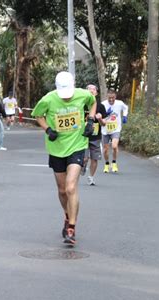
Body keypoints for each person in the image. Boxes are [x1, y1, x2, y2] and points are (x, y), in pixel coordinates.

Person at [31, 71, 100, 245]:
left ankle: (71, 228)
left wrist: (90, 120)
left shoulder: (83, 94)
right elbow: (38, 115)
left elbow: (93, 102)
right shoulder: (48, 99)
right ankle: (68, 215)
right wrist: (47, 129)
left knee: (71, 187)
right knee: (62, 190)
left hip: (77, 145)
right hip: (56, 148)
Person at [83, 84, 107, 186]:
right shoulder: (82, 104)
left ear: (96, 93)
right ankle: (83, 166)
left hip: (96, 137)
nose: (91, 91)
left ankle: (91, 177)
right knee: (84, 158)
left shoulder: (101, 106)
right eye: (89, 89)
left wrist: (100, 118)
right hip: (83, 136)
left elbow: (104, 124)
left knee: (94, 158)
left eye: (93, 89)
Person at [101, 89, 128, 173]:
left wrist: (124, 116)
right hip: (105, 129)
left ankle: (114, 163)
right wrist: (105, 114)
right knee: (105, 149)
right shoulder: (103, 104)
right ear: (107, 97)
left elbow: (126, 108)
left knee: (114, 146)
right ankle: (106, 164)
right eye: (109, 98)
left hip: (116, 129)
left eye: (113, 98)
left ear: (115, 97)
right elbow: (99, 114)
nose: (111, 100)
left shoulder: (119, 103)